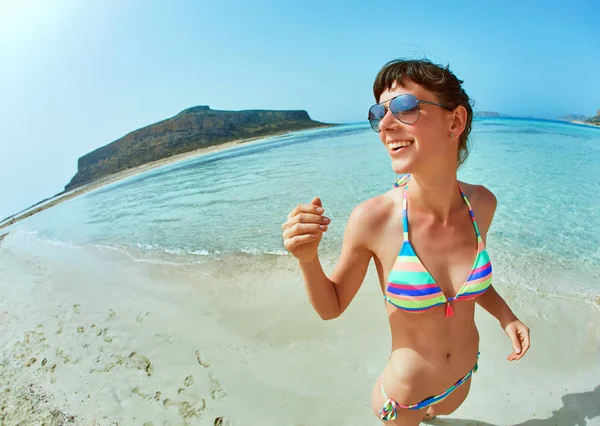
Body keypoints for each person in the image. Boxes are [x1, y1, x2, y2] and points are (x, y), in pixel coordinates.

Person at [281, 59, 531, 425]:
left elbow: (464, 286)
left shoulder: (482, 204)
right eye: (378, 113)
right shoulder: (374, 219)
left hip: (461, 382)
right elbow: (330, 306)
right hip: (403, 401)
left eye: (404, 107)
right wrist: (307, 259)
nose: (384, 125)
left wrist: (506, 316)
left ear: (455, 122)